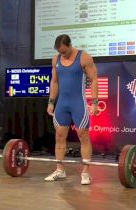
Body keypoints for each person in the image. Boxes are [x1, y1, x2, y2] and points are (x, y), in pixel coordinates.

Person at [45, 34, 98, 185]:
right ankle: (60, 170)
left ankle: (86, 172)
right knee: (59, 136)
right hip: (62, 104)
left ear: (69, 45)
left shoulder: (84, 57)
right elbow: (54, 82)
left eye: (64, 51)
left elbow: (94, 79)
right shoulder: (56, 60)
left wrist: (94, 102)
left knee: (83, 136)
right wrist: (51, 102)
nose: (62, 54)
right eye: (60, 52)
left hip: (78, 103)